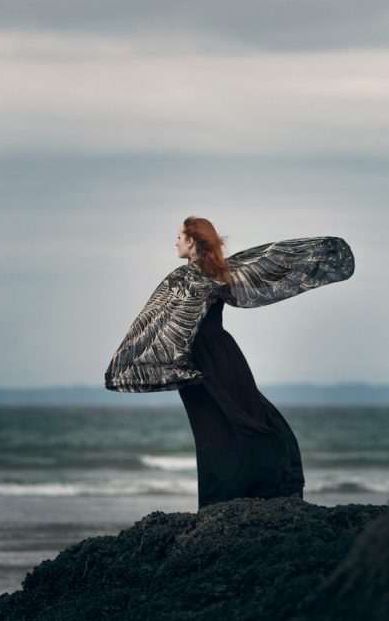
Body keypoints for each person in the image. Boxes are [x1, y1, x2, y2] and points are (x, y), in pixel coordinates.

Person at [105, 216, 355, 509]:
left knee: (214, 430)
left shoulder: (184, 278)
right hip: (223, 354)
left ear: (192, 241)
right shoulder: (220, 272)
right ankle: (247, 495)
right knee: (239, 420)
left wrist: (131, 365)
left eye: (179, 236)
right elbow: (270, 263)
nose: (175, 242)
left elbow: (157, 326)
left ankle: (220, 503)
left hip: (197, 359)